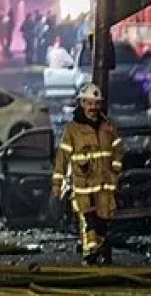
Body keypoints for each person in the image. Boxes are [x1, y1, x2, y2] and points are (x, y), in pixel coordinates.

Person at [51, 83, 124, 265]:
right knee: (88, 221)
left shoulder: (108, 127)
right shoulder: (72, 130)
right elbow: (62, 158)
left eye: (96, 104)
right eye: (89, 103)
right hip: (83, 186)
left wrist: (115, 170)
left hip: (104, 186)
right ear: (81, 103)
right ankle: (89, 254)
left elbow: (118, 149)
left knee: (102, 223)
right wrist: (57, 184)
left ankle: (97, 251)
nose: (93, 108)